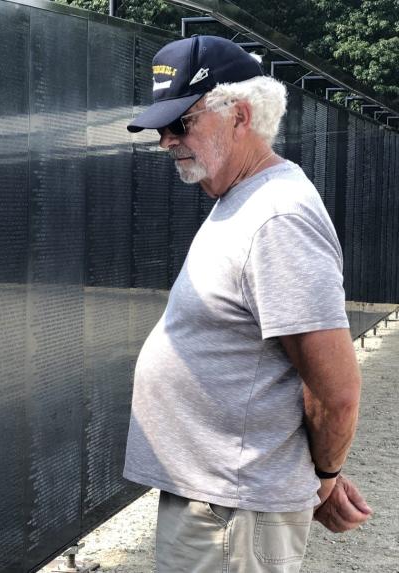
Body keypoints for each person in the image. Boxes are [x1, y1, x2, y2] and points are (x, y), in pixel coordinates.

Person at [123, 35, 373, 571]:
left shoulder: (278, 218)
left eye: (179, 123)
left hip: (233, 510)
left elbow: (336, 391)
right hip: (221, 500)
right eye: (161, 127)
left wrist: (322, 481)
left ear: (239, 113)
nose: (165, 140)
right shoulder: (245, 199)